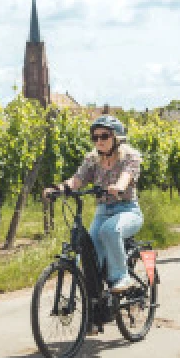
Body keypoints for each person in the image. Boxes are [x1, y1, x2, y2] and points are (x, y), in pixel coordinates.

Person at [44, 115, 144, 297]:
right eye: (95, 137)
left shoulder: (130, 156)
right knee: (90, 255)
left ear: (117, 137)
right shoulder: (92, 159)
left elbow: (127, 175)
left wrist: (119, 187)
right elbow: (77, 180)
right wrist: (58, 189)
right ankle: (96, 312)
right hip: (103, 211)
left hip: (128, 210)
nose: (99, 141)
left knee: (109, 231)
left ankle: (121, 277)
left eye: (104, 136)